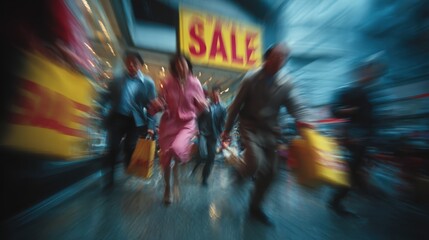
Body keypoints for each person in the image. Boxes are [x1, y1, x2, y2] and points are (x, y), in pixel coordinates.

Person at [221, 43, 312, 225]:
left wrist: (305, 120)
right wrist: (227, 131)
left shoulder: (287, 82)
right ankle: (240, 171)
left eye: (284, 57)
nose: (280, 60)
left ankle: (255, 206)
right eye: (277, 56)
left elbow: (296, 104)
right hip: (250, 126)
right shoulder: (250, 78)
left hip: (271, 131)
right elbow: (235, 107)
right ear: (267, 57)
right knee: (254, 162)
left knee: (271, 172)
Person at [328, 55, 386, 216]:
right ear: (359, 73)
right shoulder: (349, 91)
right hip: (354, 138)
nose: (369, 74)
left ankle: (342, 197)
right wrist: (349, 111)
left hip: (368, 139)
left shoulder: (375, 93)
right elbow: (334, 109)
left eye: (373, 72)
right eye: (366, 70)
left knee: (357, 171)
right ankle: (336, 200)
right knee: (352, 172)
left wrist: (376, 139)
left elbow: (377, 119)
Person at [148, 54, 207, 204]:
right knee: (166, 159)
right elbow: (162, 100)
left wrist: (203, 106)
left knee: (176, 149)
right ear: (174, 67)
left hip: (186, 123)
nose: (181, 67)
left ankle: (182, 156)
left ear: (188, 65)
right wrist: (158, 104)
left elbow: (201, 107)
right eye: (178, 64)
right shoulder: (168, 82)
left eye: (184, 64)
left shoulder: (195, 83)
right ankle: (168, 188)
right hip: (169, 122)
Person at [103, 51, 157, 188]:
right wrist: (102, 113)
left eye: (134, 63)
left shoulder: (148, 83)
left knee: (130, 147)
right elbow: (107, 98)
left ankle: (129, 167)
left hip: (135, 121)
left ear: (140, 65)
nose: (131, 65)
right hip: (117, 118)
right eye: (128, 63)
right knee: (112, 147)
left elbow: (152, 107)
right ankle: (109, 179)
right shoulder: (118, 80)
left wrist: (151, 125)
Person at [191, 85, 227, 186]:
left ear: (219, 93)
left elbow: (222, 123)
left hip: (213, 135)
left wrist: (222, 134)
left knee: (211, 157)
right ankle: (196, 165)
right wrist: (197, 129)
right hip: (203, 133)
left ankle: (204, 178)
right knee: (203, 154)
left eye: (216, 93)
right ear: (211, 93)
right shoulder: (207, 105)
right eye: (213, 93)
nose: (214, 95)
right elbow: (198, 118)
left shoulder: (223, 108)